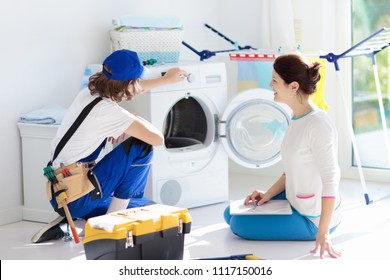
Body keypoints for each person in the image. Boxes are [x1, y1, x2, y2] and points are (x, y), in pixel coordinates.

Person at [32, 49, 188, 243]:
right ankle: (111, 224)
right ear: (128, 84)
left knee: (146, 205)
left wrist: (166, 80)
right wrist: (134, 120)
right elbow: (157, 139)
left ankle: (68, 221)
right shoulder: (109, 112)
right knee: (142, 146)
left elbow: (135, 87)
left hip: (61, 193)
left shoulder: (88, 94)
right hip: (79, 196)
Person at [224, 53, 342, 259]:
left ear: (293, 86)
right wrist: (268, 194)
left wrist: (323, 233)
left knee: (238, 224)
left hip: (313, 219)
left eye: (275, 80)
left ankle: (320, 230)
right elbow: (292, 171)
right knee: (229, 213)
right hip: (296, 198)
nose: (270, 84)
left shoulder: (318, 125)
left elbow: (331, 180)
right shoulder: (296, 117)